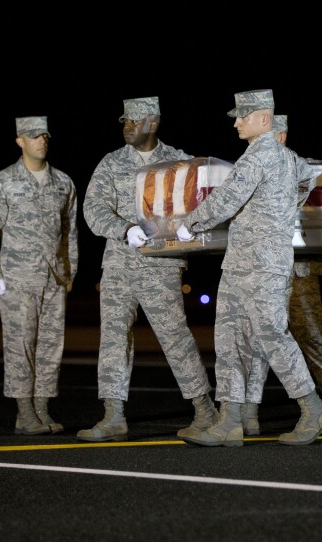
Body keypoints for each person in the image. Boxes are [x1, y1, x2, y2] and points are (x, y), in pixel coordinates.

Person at [176, 89, 322, 447]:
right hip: (244, 263)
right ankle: (229, 420)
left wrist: (192, 223)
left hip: (261, 265)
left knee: (272, 336)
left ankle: (312, 408)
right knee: (229, 339)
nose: (236, 122)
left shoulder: (259, 154)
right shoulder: (290, 159)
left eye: (242, 116)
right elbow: (309, 179)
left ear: (264, 119)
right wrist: (283, 211)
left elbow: (227, 198)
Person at [79, 96, 217, 442]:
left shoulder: (179, 163)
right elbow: (93, 208)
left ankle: (205, 410)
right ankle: (113, 416)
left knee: (175, 337)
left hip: (161, 265)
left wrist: (187, 231)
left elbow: (201, 204)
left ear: (151, 123)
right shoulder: (111, 163)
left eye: (133, 122)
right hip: (119, 262)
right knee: (113, 337)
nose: (127, 127)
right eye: (124, 122)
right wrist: (124, 229)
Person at [238, 114, 322, 437]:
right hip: (266, 265)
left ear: (281, 136)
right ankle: (248, 413)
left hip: (297, 269)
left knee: (311, 337)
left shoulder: (294, 167)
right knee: (260, 338)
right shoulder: (262, 165)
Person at [0, 116, 78, 435]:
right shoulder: (3, 182)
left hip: (53, 279)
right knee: (21, 346)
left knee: (50, 345)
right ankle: (24, 412)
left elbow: (69, 232)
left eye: (44, 135)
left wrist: (70, 270)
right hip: (18, 279)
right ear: (20, 140)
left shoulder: (63, 182)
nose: (41, 140)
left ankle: (42, 409)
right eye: (33, 136)